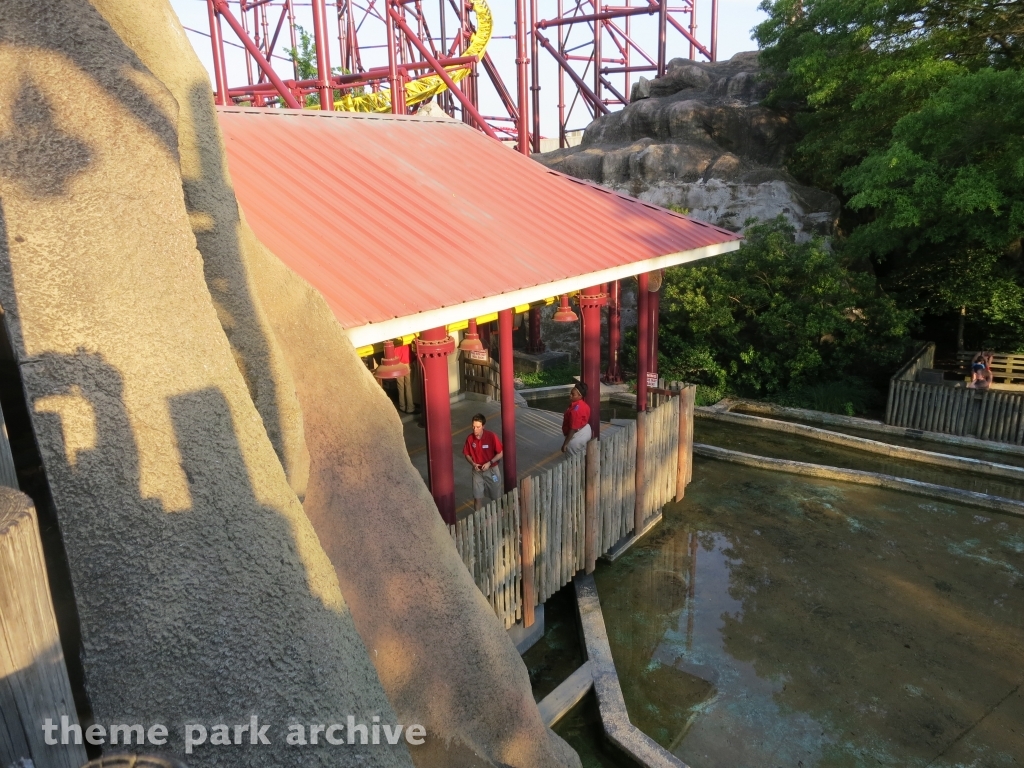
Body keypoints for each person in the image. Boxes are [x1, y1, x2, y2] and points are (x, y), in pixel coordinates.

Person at [463, 413, 504, 510]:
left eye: (478, 427)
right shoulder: (470, 438)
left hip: (491, 470)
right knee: (477, 498)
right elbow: (466, 454)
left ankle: (499, 517)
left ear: (483, 426)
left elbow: (500, 453)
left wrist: (489, 462)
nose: (475, 429)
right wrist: (473, 463)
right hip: (477, 472)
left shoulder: (491, 436)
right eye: (473, 427)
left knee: (496, 498)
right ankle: (479, 521)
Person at [561, 381, 592, 455]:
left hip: (577, 437)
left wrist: (565, 444)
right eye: (570, 393)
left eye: (573, 394)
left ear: (580, 396)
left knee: (572, 460)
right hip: (585, 431)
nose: (570, 395)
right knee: (582, 455)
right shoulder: (583, 405)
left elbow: (573, 428)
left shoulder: (576, 410)